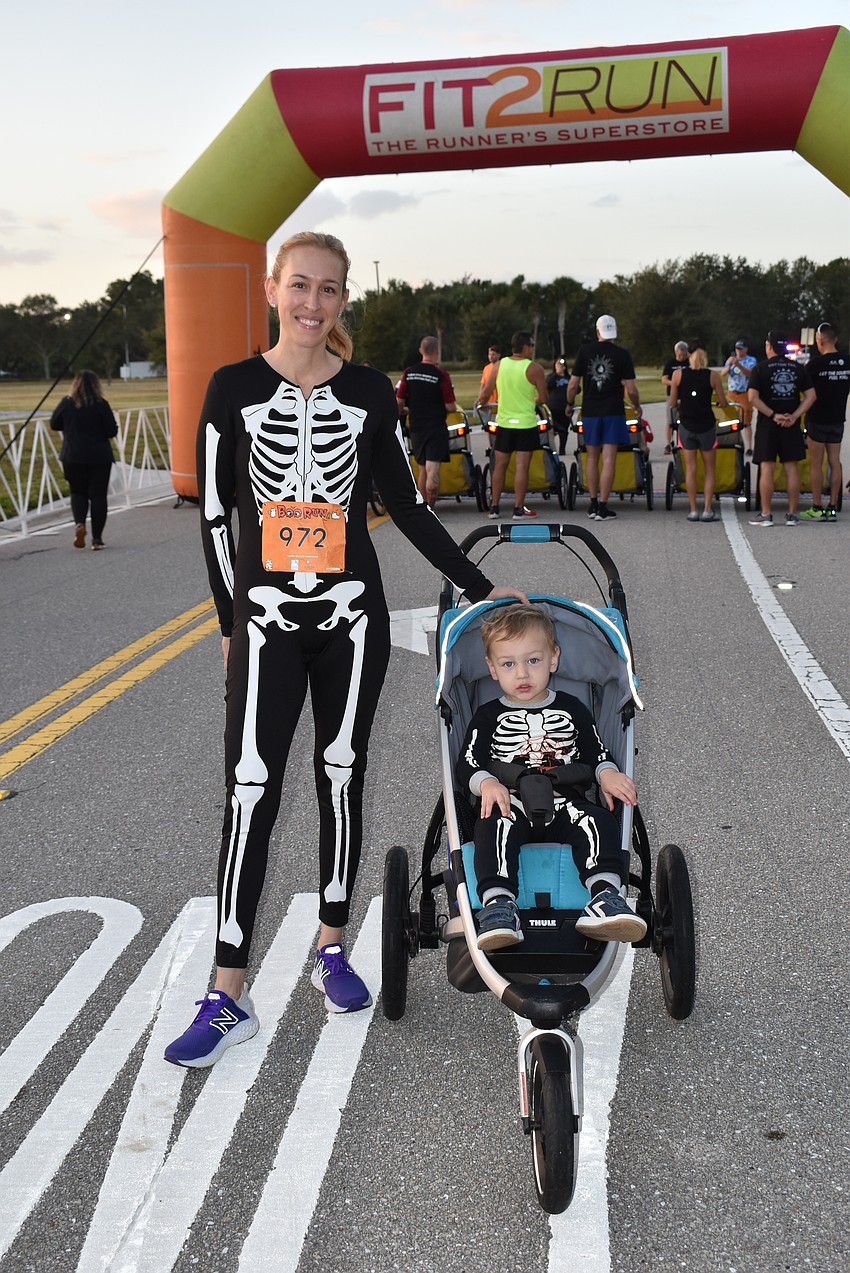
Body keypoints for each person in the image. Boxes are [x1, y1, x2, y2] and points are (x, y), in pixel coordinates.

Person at [164, 231, 526, 1068]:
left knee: (340, 775)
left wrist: (478, 585)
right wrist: (230, 623)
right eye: (300, 285)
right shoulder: (231, 388)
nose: (312, 303)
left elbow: (406, 504)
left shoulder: (366, 391)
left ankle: (332, 944)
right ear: (272, 289)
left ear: (342, 300)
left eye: (328, 289)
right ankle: (227, 990)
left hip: (351, 618)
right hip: (264, 620)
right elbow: (216, 516)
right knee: (249, 790)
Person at [455, 604, 647, 951]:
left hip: (566, 803)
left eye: (533, 660)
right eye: (508, 664)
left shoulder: (572, 707)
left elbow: (596, 750)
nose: (522, 673)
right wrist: (486, 782)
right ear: (492, 668)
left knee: (598, 820)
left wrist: (606, 773)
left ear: (553, 659)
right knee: (492, 827)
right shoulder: (488, 715)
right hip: (511, 802)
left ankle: (604, 896)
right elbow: (467, 762)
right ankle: (499, 903)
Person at [566, 315, 642, 522]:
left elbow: (572, 385)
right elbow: (632, 389)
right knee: (609, 458)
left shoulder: (584, 351)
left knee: (591, 457)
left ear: (597, 331)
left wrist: (569, 403)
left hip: (590, 411)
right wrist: (636, 406)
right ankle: (603, 505)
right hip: (613, 411)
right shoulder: (622, 354)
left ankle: (592, 502)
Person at [476, 331, 547, 520]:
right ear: (525, 347)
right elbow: (543, 397)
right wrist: (532, 400)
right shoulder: (534, 368)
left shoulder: (499, 366)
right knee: (522, 466)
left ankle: (494, 507)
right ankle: (518, 508)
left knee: (500, 465)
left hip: (505, 423)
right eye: (532, 346)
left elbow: (485, 393)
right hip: (525, 424)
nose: (533, 349)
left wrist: (481, 402)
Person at [747, 331, 816, 528]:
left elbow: (752, 398)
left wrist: (772, 415)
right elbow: (811, 396)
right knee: (791, 468)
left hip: (768, 424)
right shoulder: (798, 368)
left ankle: (766, 514)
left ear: (769, 346)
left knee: (767, 467)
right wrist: (795, 415)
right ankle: (792, 514)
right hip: (791, 424)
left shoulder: (760, 368)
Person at [49, 370, 118, 550]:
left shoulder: (67, 403)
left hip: (73, 456)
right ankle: (97, 539)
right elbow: (111, 431)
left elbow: (54, 424)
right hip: (99, 457)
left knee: (77, 492)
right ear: (96, 385)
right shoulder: (101, 404)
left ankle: (80, 524)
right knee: (98, 496)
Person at [668, 340, 729, 522]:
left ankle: (693, 509)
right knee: (709, 469)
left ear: (688, 354)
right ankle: (708, 509)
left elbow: (672, 402)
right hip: (706, 426)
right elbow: (723, 401)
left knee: (691, 469)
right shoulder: (713, 376)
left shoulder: (678, 375)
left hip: (687, 426)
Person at [396, 336, 458, 508]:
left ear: (420, 351)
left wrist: (403, 411)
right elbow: (450, 406)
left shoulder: (409, 373)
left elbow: (399, 401)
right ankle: (431, 500)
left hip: (416, 427)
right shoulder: (442, 375)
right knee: (433, 468)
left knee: (422, 466)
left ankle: (423, 506)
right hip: (436, 426)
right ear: (437, 351)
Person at [799, 322, 850, 521]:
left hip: (817, 418)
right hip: (837, 419)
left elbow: (802, 389)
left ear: (819, 340)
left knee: (816, 463)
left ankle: (817, 506)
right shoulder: (847, 362)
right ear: (835, 339)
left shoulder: (814, 365)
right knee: (835, 461)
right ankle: (833, 507)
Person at [721, 340, 757, 457]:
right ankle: (733, 443)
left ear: (746, 349)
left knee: (746, 420)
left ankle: (749, 447)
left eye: (741, 349)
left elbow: (749, 373)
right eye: (737, 349)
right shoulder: (731, 360)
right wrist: (729, 365)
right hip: (732, 393)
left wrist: (739, 365)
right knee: (730, 419)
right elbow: (723, 374)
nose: (739, 351)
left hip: (744, 393)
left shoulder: (751, 360)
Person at [661, 341, 690, 454]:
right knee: (670, 420)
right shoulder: (670, 363)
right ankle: (668, 444)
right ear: (676, 353)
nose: (681, 357)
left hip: (685, 395)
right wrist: (674, 383)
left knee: (685, 420)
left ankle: (683, 442)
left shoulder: (689, 363)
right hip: (672, 394)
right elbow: (664, 379)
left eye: (683, 355)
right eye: (679, 355)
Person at [546, 356, 571, 455]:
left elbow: (576, 388)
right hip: (553, 407)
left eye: (562, 364)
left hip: (565, 407)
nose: (561, 365)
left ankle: (562, 449)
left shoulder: (569, 378)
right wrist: (557, 373)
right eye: (558, 364)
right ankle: (551, 448)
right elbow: (547, 385)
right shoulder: (551, 377)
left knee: (564, 429)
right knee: (552, 429)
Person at [478, 343, 500, 424]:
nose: (491, 356)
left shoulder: (501, 367)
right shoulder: (486, 368)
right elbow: (483, 384)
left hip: (498, 402)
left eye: (493, 354)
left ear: (498, 355)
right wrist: (480, 397)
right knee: (487, 424)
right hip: (488, 403)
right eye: (489, 354)